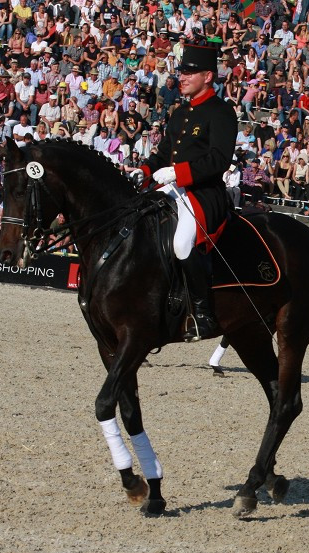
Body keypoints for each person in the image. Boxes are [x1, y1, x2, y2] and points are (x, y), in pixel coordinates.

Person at [137, 43, 237, 343]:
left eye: (189, 72)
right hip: (170, 186)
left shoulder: (221, 112)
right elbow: (164, 152)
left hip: (202, 193)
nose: (182, 76)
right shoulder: (181, 112)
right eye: (181, 71)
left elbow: (219, 159)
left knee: (181, 244)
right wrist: (142, 170)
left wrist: (179, 173)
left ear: (208, 76)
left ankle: (203, 313)